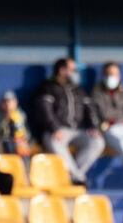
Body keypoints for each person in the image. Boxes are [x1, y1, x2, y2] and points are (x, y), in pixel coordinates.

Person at [33, 57, 105, 185]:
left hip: (78, 130)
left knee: (97, 141)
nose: (75, 73)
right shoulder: (47, 87)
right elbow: (44, 110)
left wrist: (94, 127)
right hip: (57, 130)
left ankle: (75, 176)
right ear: (62, 70)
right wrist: (54, 128)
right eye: (73, 70)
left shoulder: (78, 89)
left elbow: (90, 108)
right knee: (55, 141)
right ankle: (78, 177)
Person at [0, 90, 32, 157]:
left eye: (10, 101)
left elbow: (27, 132)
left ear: (15, 102)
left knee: (24, 148)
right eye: (5, 101)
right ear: (0, 103)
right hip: (2, 144)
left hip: (20, 143)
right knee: (9, 145)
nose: (7, 104)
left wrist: (24, 139)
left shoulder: (21, 115)